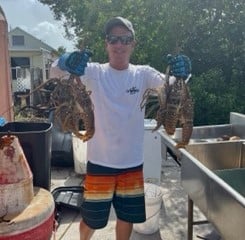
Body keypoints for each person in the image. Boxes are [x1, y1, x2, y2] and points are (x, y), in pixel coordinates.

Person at [51, 16, 191, 240]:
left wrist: (182, 73)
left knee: (126, 218)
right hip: (99, 164)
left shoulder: (143, 74)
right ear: (106, 44)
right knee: (91, 219)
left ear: (132, 44)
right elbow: (55, 73)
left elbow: (173, 86)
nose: (119, 44)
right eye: (113, 39)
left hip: (132, 165)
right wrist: (66, 61)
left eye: (125, 39)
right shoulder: (94, 72)